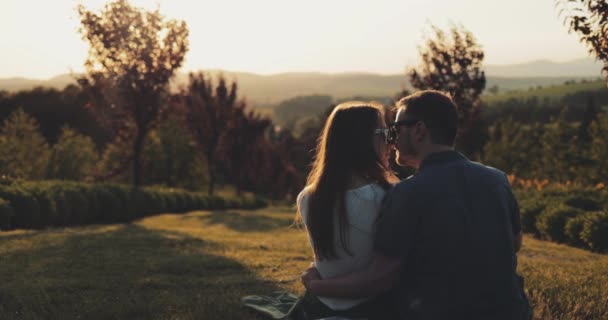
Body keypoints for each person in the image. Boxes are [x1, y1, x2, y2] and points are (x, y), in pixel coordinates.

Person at [302, 90, 530, 320]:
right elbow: (515, 242)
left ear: (419, 130)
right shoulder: (497, 179)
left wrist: (316, 286)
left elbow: (379, 278)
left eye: (396, 129)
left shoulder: (406, 193)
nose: (392, 140)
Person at [294, 101, 400, 319]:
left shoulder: (307, 198)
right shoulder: (388, 196)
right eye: (384, 133)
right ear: (363, 141)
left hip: (322, 306)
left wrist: (314, 282)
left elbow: (335, 262)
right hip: (375, 308)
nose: (391, 143)